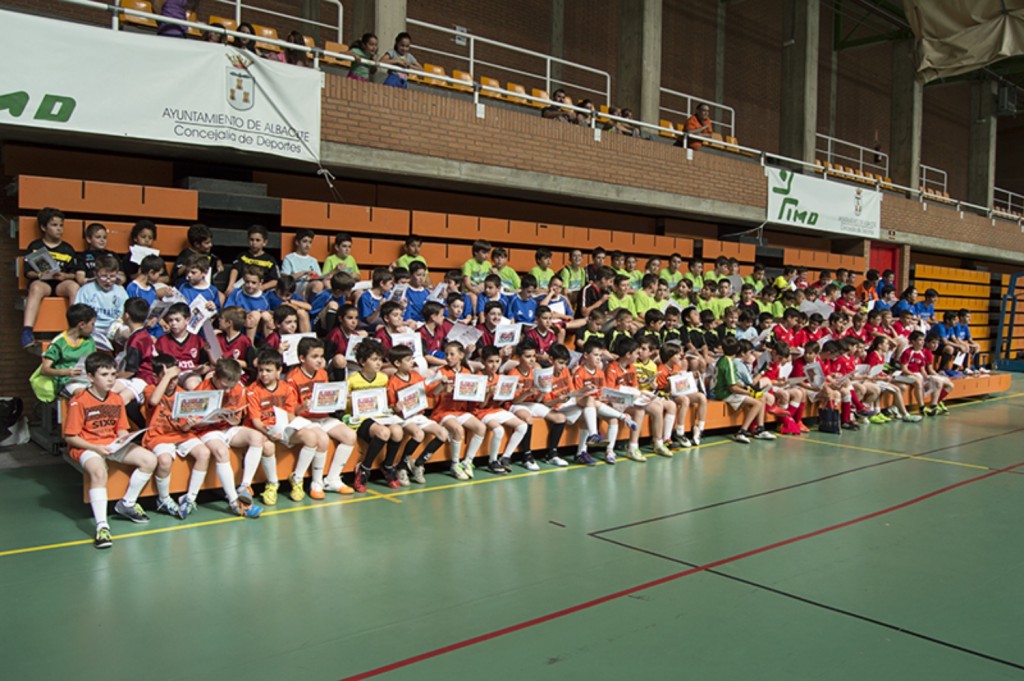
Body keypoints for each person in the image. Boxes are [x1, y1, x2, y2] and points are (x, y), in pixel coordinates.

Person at [144, 354, 261, 519]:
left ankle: (244, 486)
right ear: (215, 376)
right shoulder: (199, 390)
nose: (228, 391)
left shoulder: (238, 388)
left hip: (225, 428)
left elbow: (236, 420)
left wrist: (232, 418)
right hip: (205, 431)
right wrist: (199, 422)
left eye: (231, 387)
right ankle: (234, 502)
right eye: (224, 386)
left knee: (257, 438)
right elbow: (189, 422)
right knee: (220, 451)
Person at [64, 353, 158, 548]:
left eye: (113, 374)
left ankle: (127, 503)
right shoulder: (79, 401)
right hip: (86, 446)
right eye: (104, 374)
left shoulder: (116, 399)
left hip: (111, 444)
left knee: (149, 460)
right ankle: (102, 527)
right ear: (90, 377)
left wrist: (124, 438)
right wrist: (96, 448)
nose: (110, 379)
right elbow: (70, 436)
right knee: (99, 471)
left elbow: (121, 429)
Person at [345, 339, 405, 490]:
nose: (378, 363)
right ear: (362, 361)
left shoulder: (383, 378)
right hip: (360, 419)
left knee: (397, 431)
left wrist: (395, 407)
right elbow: (344, 407)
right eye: (374, 359)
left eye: (380, 359)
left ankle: (388, 466)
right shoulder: (352, 380)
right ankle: (364, 469)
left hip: (380, 415)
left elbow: (387, 403)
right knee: (384, 432)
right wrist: (349, 401)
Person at [386, 345, 449, 484]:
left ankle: (418, 463)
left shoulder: (415, 376)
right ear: (397, 363)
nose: (412, 363)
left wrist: (442, 385)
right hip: (404, 417)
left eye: (412, 359)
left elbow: (433, 392)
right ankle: (401, 467)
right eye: (408, 360)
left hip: (419, 414)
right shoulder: (392, 382)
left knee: (443, 433)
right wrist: (396, 407)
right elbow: (392, 407)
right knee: (418, 434)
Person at [22, 207, 82, 349]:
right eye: (54, 225)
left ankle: (75, 329)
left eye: (61, 225)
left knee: (74, 287)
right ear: (43, 227)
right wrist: (40, 275)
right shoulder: (35, 246)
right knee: (35, 286)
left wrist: (65, 276)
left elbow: (74, 274)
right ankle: (27, 330)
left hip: (61, 284)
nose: (59, 229)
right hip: (44, 283)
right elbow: (27, 272)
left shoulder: (67, 248)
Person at [38, 304, 96, 400]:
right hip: (67, 382)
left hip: (88, 379)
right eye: (92, 324)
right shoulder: (59, 342)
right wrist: (66, 372)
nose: (94, 328)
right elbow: (44, 370)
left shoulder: (89, 341)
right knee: (85, 395)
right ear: (81, 325)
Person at [73, 254, 128, 351]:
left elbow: (123, 313)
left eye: (112, 277)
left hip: (113, 327)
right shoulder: (86, 290)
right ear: (95, 274)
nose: (108, 281)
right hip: (93, 328)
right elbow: (79, 312)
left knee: (127, 332)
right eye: (103, 276)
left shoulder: (120, 291)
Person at [227, 224, 280, 292]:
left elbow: (275, 280)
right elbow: (235, 269)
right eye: (251, 239)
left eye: (258, 240)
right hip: (242, 290)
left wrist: (263, 287)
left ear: (265, 242)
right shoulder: (243, 256)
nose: (254, 243)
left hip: (260, 292)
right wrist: (231, 285)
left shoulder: (269, 260)